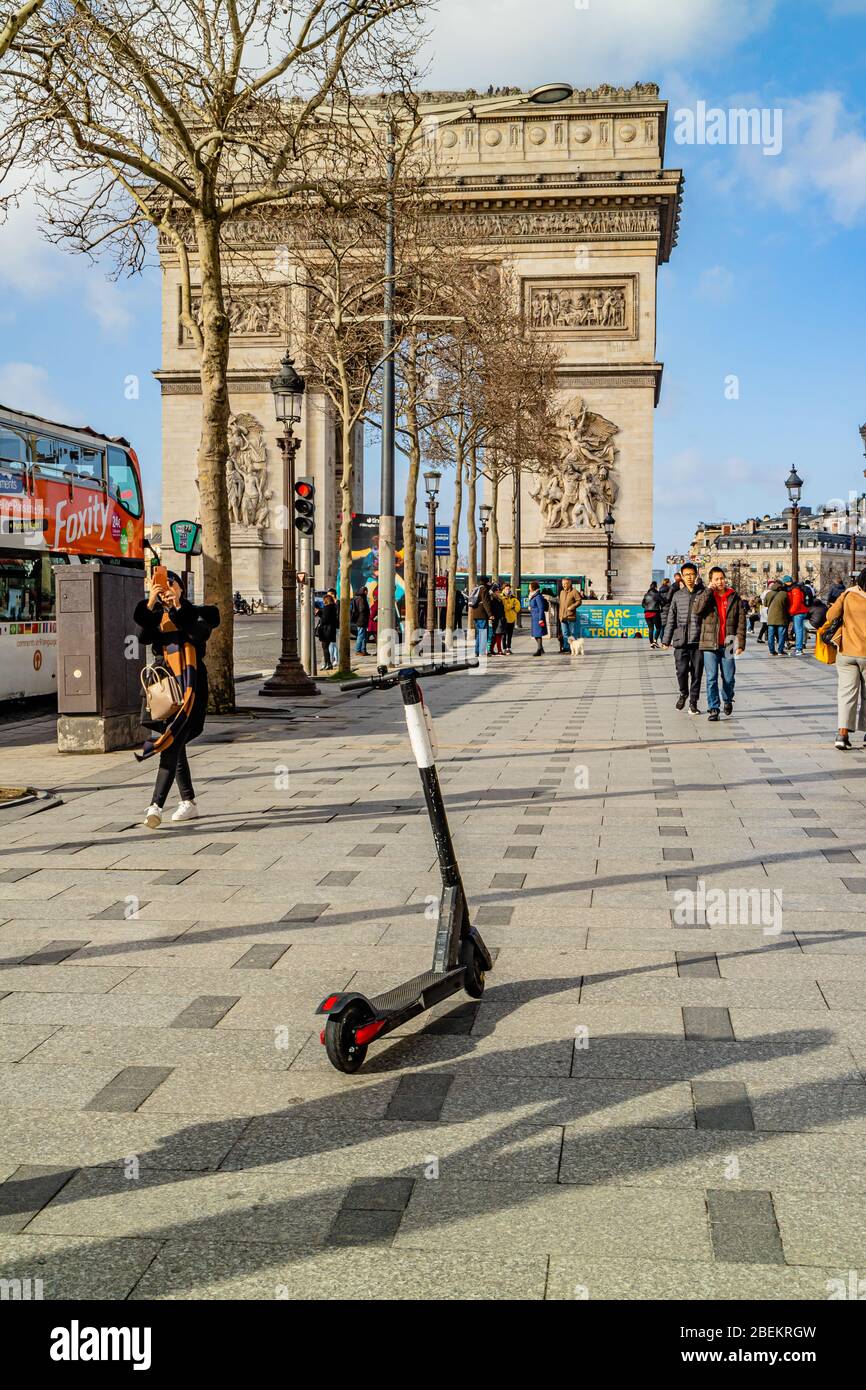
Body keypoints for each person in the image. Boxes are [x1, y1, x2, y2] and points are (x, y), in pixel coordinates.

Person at [135, 571, 220, 829]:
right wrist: (151, 602)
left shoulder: (199, 612)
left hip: (190, 688)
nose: (166, 589)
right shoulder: (156, 616)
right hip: (163, 688)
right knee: (174, 743)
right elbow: (142, 636)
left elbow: (198, 634)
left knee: (172, 744)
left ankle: (155, 806)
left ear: (182, 587)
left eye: (170, 584)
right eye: (161, 585)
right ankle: (188, 802)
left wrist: (179, 607)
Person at [693, 565, 747, 720]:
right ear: (711, 581)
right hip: (710, 642)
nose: (720, 581)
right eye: (716, 579)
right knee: (711, 677)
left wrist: (741, 644)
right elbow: (697, 610)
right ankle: (713, 708)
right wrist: (708, 591)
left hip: (729, 642)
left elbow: (741, 622)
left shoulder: (733, 596)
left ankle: (728, 699)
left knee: (729, 677)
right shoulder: (706, 595)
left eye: (722, 578)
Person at [826, 570, 866, 750]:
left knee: (846, 694)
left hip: (847, 651)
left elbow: (830, 616)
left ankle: (842, 734)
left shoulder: (849, 594)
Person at [660, 561, 705, 713]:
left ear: (696, 575)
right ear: (682, 577)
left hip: (698, 641)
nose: (690, 578)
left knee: (697, 673)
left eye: (692, 574)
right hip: (680, 640)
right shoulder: (678, 595)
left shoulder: (704, 593)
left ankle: (693, 702)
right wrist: (666, 640)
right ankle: (683, 692)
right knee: (681, 670)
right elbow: (671, 618)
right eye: (687, 575)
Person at [763, 579, 790, 656]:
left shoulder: (768, 594)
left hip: (771, 617)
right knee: (781, 634)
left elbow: (765, 604)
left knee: (770, 635)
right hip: (782, 617)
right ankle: (780, 651)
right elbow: (787, 605)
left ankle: (771, 651)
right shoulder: (784, 594)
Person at [468, 574, 493, 657]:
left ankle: (477, 651)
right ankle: (481, 651)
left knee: (479, 633)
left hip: (475, 614)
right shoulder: (484, 589)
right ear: (486, 582)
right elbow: (486, 603)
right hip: (482, 614)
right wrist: (490, 614)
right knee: (483, 633)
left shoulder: (477, 588)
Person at [787, 576, 810, 655]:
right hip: (799, 612)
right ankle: (798, 647)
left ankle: (799, 649)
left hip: (798, 612)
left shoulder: (795, 589)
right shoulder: (795, 588)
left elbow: (796, 603)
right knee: (799, 630)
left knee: (798, 630)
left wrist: (791, 611)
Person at [559, 578, 582, 653]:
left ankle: (575, 648)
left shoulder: (574, 591)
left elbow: (579, 601)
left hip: (571, 616)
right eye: (563, 584)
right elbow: (561, 605)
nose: (563, 585)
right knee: (565, 633)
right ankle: (566, 648)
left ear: (569, 584)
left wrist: (572, 607)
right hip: (563, 617)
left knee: (572, 633)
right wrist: (560, 615)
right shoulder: (562, 592)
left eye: (565, 584)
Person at [317, 591, 338, 670]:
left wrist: (319, 614)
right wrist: (320, 613)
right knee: (326, 647)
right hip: (330, 630)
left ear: (326, 600)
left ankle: (328, 663)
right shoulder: (332, 607)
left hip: (326, 630)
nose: (323, 601)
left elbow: (325, 619)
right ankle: (328, 663)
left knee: (325, 647)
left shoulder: (327, 607)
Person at [529, 580, 549, 655]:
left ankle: (539, 650)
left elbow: (541, 608)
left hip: (538, 618)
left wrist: (541, 619)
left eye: (529, 587)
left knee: (538, 634)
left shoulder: (538, 596)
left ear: (533, 587)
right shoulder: (533, 595)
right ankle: (541, 648)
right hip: (534, 618)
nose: (529, 588)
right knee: (535, 634)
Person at [642, 580, 663, 648]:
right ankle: (655, 641)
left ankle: (651, 643)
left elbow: (642, 605)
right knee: (658, 628)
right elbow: (663, 602)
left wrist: (647, 608)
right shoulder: (657, 594)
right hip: (655, 613)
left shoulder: (646, 595)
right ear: (656, 587)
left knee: (651, 629)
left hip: (647, 614)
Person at [351, 586, 370, 655]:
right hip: (361, 619)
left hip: (362, 619)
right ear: (364, 591)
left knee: (364, 635)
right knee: (361, 635)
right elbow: (361, 609)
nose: (367, 592)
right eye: (366, 591)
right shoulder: (361, 598)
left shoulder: (359, 598)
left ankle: (363, 650)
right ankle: (358, 650)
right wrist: (367, 610)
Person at [501, 582, 519, 653]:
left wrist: (512, 607)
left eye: (508, 589)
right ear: (503, 589)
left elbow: (517, 608)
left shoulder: (513, 597)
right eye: (506, 589)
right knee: (504, 635)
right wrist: (512, 606)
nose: (507, 590)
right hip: (504, 618)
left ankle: (508, 648)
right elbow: (505, 607)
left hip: (512, 618)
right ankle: (504, 648)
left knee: (510, 635)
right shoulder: (501, 597)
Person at [487, 583, 505, 655]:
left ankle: (491, 649)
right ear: (494, 592)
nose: (499, 592)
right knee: (497, 635)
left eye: (499, 591)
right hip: (496, 619)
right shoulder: (492, 599)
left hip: (500, 618)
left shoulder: (499, 599)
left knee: (496, 635)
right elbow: (493, 610)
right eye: (497, 591)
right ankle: (499, 650)